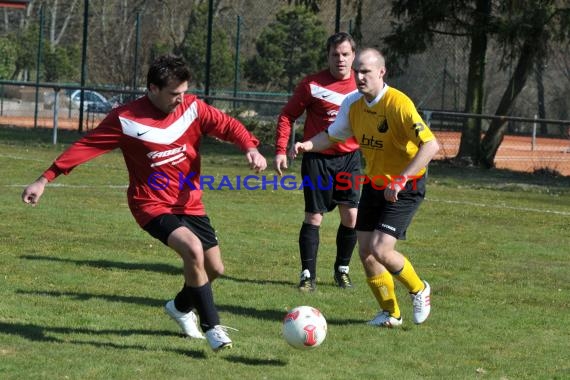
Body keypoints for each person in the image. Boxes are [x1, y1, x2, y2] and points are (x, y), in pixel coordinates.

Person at [21, 54, 267, 350]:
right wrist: (45, 178)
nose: (181, 98)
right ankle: (212, 327)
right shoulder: (125, 119)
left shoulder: (193, 108)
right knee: (192, 249)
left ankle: (179, 307)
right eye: (174, 93)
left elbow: (228, 126)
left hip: (189, 201)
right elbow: (85, 147)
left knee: (215, 268)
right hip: (150, 204)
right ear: (152, 88)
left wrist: (250, 148)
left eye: (184, 92)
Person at [293, 48, 439, 327]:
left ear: (381, 73)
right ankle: (391, 313)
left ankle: (419, 289)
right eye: (357, 71)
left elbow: (431, 145)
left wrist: (402, 179)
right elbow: (333, 136)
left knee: (382, 249)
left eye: (365, 71)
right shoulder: (352, 104)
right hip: (375, 182)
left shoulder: (399, 104)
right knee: (366, 253)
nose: (359, 76)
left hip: (407, 185)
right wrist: (307, 145)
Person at [275, 32, 360, 292]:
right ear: (328, 56)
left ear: (353, 56)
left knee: (352, 216)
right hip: (317, 160)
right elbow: (287, 115)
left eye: (345, 54)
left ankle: (342, 271)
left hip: (350, 159)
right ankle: (307, 275)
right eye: (335, 55)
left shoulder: (363, 85)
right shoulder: (312, 84)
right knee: (314, 217)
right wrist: (281, 149)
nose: (340, 59)